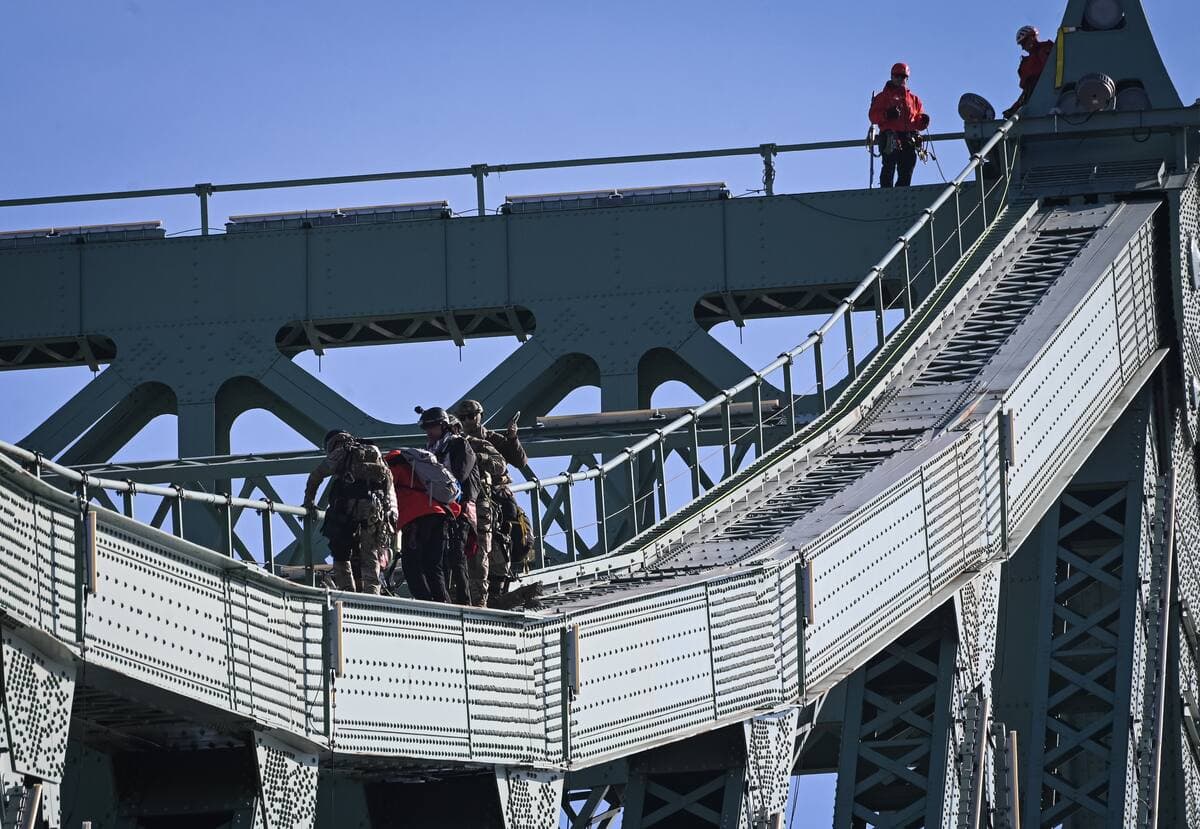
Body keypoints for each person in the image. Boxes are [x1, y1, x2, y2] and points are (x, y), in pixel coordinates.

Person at [452, 400, 533, 607]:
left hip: (495, 494)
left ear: (480, 415)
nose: (469, 420)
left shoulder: (489, 438)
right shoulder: (455, 442)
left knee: (506, 530)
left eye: (472, 416)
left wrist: (512, 438)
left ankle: (498, 584)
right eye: (464, 417)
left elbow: (520, 461)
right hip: (468, 497)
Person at [303, 430, 397, 595]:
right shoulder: (374, 453)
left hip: (347, 509)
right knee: (370, 552)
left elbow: (316, 475)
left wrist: (309, 501)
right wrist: (391, 512)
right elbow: (388, 482)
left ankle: (347, 590)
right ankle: (372, 593)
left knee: (340, 550)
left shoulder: (342, 452)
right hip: (374, 509)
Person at [418, 406, 477, 605]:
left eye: (431, 427)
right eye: (426, 428)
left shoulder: (460, 445)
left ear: (443, 426)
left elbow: (460, 475)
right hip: (438, 508)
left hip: (459, 507)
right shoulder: (429, 450)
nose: (428, 432)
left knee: (457, 554)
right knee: (437, 555)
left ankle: (464, 603)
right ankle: (442, 601)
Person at [385, 449, 459, 602]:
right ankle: (443, 604)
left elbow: (385, 491)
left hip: (415, 520)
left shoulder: (394, 468)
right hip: (440, 516)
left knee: (411, 566)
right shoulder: (420, 470)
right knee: (434, 565)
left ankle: (425, 602)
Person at [869, 63, 931, 188]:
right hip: (890, 136)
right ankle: (886, 192)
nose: (900, 79)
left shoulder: (914, 100)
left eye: (903, 76)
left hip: (908, 137)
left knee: (907, 167)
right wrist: (887, 114)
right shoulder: (882, 97)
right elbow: (873, 116)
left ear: (907, 78)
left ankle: (901, 191)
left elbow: (917, 122)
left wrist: (923, 121)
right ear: (891, 76)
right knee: (889, 165)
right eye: (897, 76)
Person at [1004, 26, 1055, 118]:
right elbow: (1027, 91)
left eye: (1023, 43)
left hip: (1049, 91)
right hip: (1035, 96)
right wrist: (1014, 109)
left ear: (1032, 37)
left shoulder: (1046, 49)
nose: (1023, 48)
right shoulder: (1026, 63)